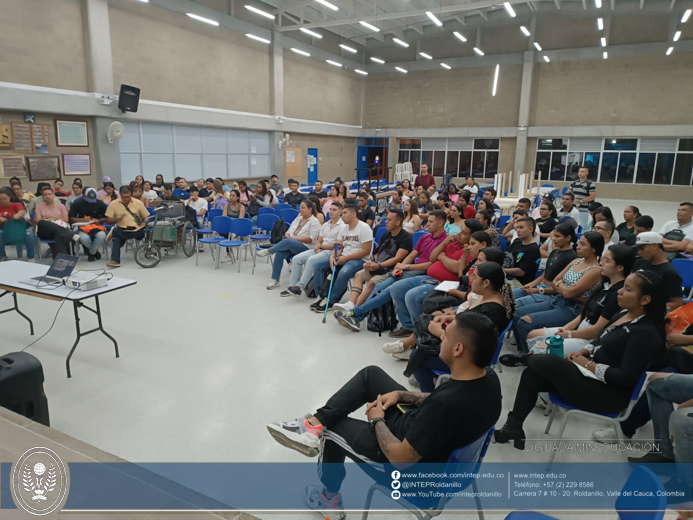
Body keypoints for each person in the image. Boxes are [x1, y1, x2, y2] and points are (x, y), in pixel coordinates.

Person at [266, 311, 501, 520]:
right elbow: (436, 401)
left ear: (458, 349)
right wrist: (400, 394)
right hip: (432, 448)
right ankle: (312, 424)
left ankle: (329, 500)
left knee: (331, 431)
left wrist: (376, 418)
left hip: (411, 476)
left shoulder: (444, 406)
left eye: (446, 335)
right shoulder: (487, 379)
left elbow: (401, 459)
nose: (442, 337)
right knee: (371, 375)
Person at [495, 270, 667, 450]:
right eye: (623, 287)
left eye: (628, 289)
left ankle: (526, 358)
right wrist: (584, 351)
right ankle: (513, 428)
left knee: (548, 361)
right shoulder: (625, 313)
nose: (620, 291)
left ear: (645, 299)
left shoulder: (646, 334)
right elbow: (602, 339)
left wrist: (588, 364)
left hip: (607, 394)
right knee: (532, 375)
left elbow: (625, 377)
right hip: (589, 377)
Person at [501, 244, 635, 367]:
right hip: (573, 319)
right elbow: (584, 313)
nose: (601, 263)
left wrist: (570, 334)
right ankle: (530, 360)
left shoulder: (618, 293)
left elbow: (597, 330)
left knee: (541, 346)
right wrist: (565, 329)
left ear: (620, 267)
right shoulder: (604, 284)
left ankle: (533, 364)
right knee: (532, 334)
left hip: (589, 338)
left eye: (607, 261)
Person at [405, 262, 517, 392]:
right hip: (463, 342)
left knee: (417, 356)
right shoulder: (490, 298)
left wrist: (439, 333)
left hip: (469, 360)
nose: (471, 281)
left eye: (474, 277)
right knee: (426, 326)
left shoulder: (492, 312)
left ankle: (428, 395)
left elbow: (466, 344)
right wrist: (448, 317)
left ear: (486, 283)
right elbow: (470, 317)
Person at [330, 210, 448, 331]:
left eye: (430, 222)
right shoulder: (425, 237)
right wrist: (400, 266)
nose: (427, 224)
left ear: (440, 223)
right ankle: (355, 315)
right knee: (379, 288)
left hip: (421, 273)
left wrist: (405, 266)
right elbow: (412, 256)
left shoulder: (445, 242)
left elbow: (431, 265)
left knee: (387, 291)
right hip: (408, 270)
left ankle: (355, 314)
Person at [387, 217, 484, 338]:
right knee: (396, 288)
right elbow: (433, 258)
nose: (459, 234)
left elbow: (456, 268)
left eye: (464, 233)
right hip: (429, 276)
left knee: (412, 296)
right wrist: (444, 243)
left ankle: (420, 333)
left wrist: (442, 257)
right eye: (460, 230)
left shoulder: (471, 251)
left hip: (445, 283)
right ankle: (408, 326)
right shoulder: (453, 243)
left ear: (473, 238)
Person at [512, 231, 604, 353]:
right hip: (558, 300)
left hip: (572, 309)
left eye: (583, 244)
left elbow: (568, 293)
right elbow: (555, 280)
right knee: (516, 313)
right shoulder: (575, 261)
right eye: (579, 243)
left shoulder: (595, 270)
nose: (578, 246)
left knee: (525, 322)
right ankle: (526, 351)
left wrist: (562, 286)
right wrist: (565, 287)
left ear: (593, 249)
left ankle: (529, 356)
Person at [333, 209, 412, 317]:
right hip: (378, 266)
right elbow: (376, 253)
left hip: (391, 270)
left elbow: (397, 259)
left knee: (372, 282)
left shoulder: (406, 238)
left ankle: (355, 310)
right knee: (359, 275)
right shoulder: (386, 235)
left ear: (398, 222)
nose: (386, 222)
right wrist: (371, 262)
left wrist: (378, 265)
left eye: (389, 220)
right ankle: (350, 304)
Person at [309, 205, 374, 313]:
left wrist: (346, 257)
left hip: (360, 259)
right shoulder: (343, 227)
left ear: (353, 214)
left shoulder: (364, 228)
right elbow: (338, 245)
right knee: (318, 265)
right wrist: (332, 257)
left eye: (344, 213)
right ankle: (321, 295)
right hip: (343, 256)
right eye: (342, 213)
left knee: (344, 271)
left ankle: (332, 300)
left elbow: (366, 251)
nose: (342, 215)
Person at [280, 202, 345, 298]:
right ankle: (294, 285)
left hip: (331, 252)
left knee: (311, 260)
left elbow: (338, 245)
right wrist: (317, 246)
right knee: (296, 259)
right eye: (330, 209)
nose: (331, 212)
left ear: (340, 212)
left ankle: (300, 287)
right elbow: (319, 239)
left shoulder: (342, 226)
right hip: (320, 249)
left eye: (334, 210)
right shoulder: (326, 224)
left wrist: (321, 247)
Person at [259, 200, 322, 289]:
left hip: (306, 247)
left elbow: (311, 239)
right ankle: (275, 280)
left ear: (310, 209)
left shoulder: (314, 221)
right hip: (292, 245)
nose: (301, 209)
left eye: (303, 208)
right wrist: (288, 236)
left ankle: (269, 251)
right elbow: (288, 232)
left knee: (288, 242)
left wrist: (294, 239)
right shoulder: (298, 219)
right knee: (280, 254)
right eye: (300, 207)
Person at [511, 223, 579, 301]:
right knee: (506, 295)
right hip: (540, 286)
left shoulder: (572, 257)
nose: (553, 239)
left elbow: (563, 287)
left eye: (557, 236)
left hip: (550, 294)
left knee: (513, 304)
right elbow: (545, 275)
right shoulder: (554, 252)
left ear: (568, 238)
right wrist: (530, 285)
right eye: (553, 236)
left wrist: (538, 291)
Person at [634, 232, 684, 311]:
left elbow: (677, 303)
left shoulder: (669, 272)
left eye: (642, 248)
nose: (639, 252)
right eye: (638, 249)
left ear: (654, 245)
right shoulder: (641, 262)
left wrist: (646, 308)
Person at [104, 186, 149, 268]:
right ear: (120, 194)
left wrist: (144, 223)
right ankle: (115, 261)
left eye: (128, 197)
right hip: (122, 228)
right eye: (124, 197)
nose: (126, 199)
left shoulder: (138, 203)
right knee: (117, 238)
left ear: (131, 194)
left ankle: (114, 232)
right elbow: (108, 221)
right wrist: (118, 219)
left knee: (117, 233)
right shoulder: (113, 204)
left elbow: (146, 217)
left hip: (136, 229)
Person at [35, 186, 79, 256]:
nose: (48, 196)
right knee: (42, 222)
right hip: (45, 231)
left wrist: (55, 218)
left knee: (58, 234)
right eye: (45, 195)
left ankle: (63, 258)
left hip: (58, 230)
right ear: (42, 196)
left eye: (49, 194)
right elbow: (38, 221)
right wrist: (48, 218)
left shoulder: (61, 206)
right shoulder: (39, 207)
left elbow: (66, 220)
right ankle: (70, 234)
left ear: (53, 195)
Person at [68, 187, 108, 262]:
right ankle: (95, 252)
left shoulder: (100, 203)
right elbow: (71, 219)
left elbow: (106, 218)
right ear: (84, 196)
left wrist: (99, 221)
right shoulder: (77, 203)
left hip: (97, 226)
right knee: (84, 238)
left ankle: (91, 253)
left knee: (101, 236)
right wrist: (82, 220)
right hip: (82, 226)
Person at [504, 217, 542, 290]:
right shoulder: (517, 241)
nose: (518, 230)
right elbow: (507, 258)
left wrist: (500, 270)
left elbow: (521, 272)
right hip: (507, 277)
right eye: (517, 227)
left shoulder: (533, 249)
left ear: (530, 229)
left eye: (521, 227)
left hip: (519, 283)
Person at [0, 187, 35, 262]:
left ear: (9, 197)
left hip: (16, 229)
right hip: (2, 230)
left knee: (29, 234)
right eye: (0, 199)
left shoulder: (16, 205)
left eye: (5, 198)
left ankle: (31, 258)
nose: (2, 201)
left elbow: (21, 212)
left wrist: (17, 215)